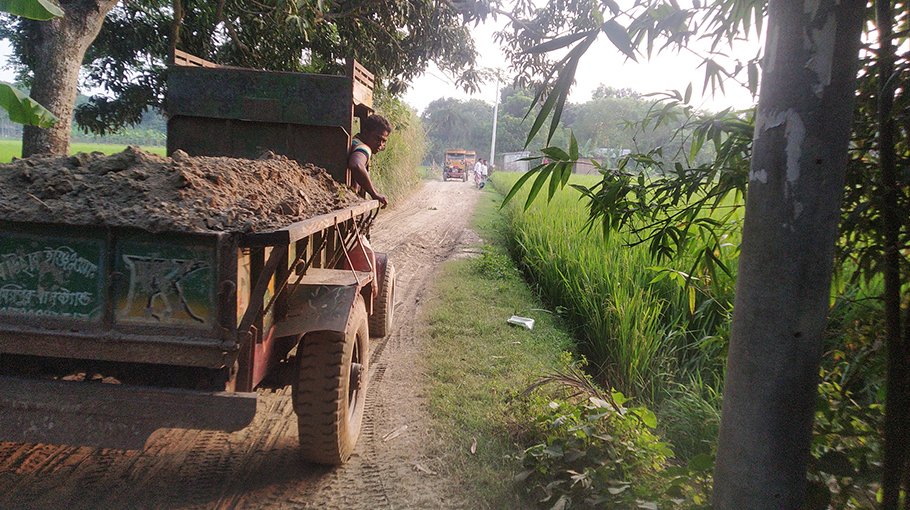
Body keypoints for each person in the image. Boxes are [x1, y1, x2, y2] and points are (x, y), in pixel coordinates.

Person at [349, 114, 392, 207]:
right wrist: (374, 194)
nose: (380, 145)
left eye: (384, 141)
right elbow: (356, 165)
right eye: (377, 138)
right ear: (365, 133)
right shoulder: (364, 148)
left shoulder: (354, 141)